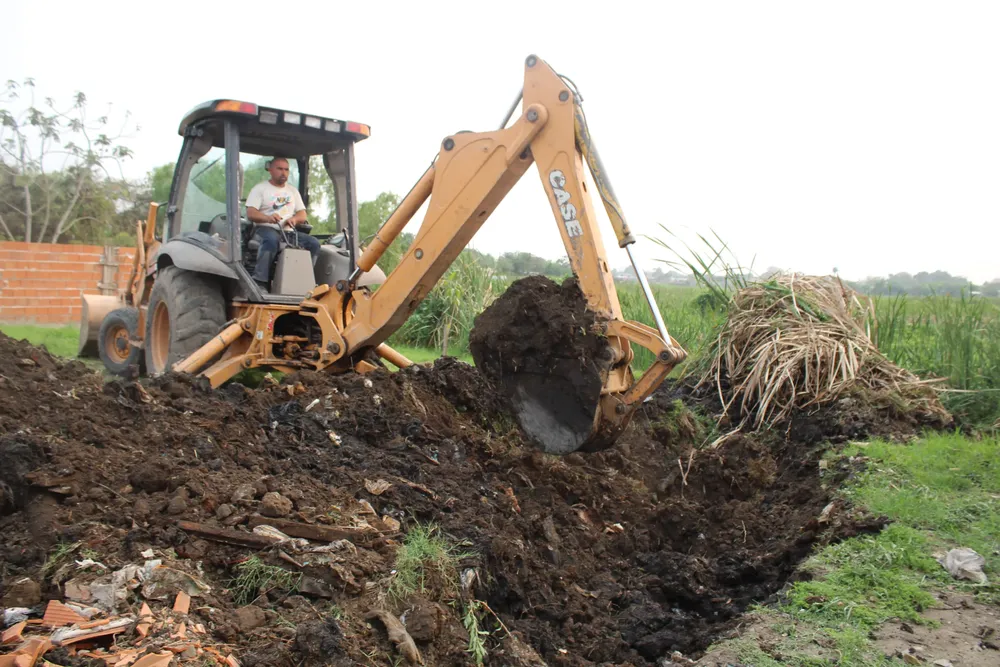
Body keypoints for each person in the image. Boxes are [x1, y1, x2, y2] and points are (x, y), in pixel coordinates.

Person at [245, 157, 320, 290]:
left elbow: (302, 214)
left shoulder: (292, 191)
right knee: (271, 240)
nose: (283, 173)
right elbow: (251, 213)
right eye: (280, 169)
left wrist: (295, 219)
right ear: (270, 170)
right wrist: (267, 218)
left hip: (288, 232)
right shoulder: (260, 189)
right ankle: (260, 282)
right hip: (265, 229)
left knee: (313, 243)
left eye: (286, 169)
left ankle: (306, 282)